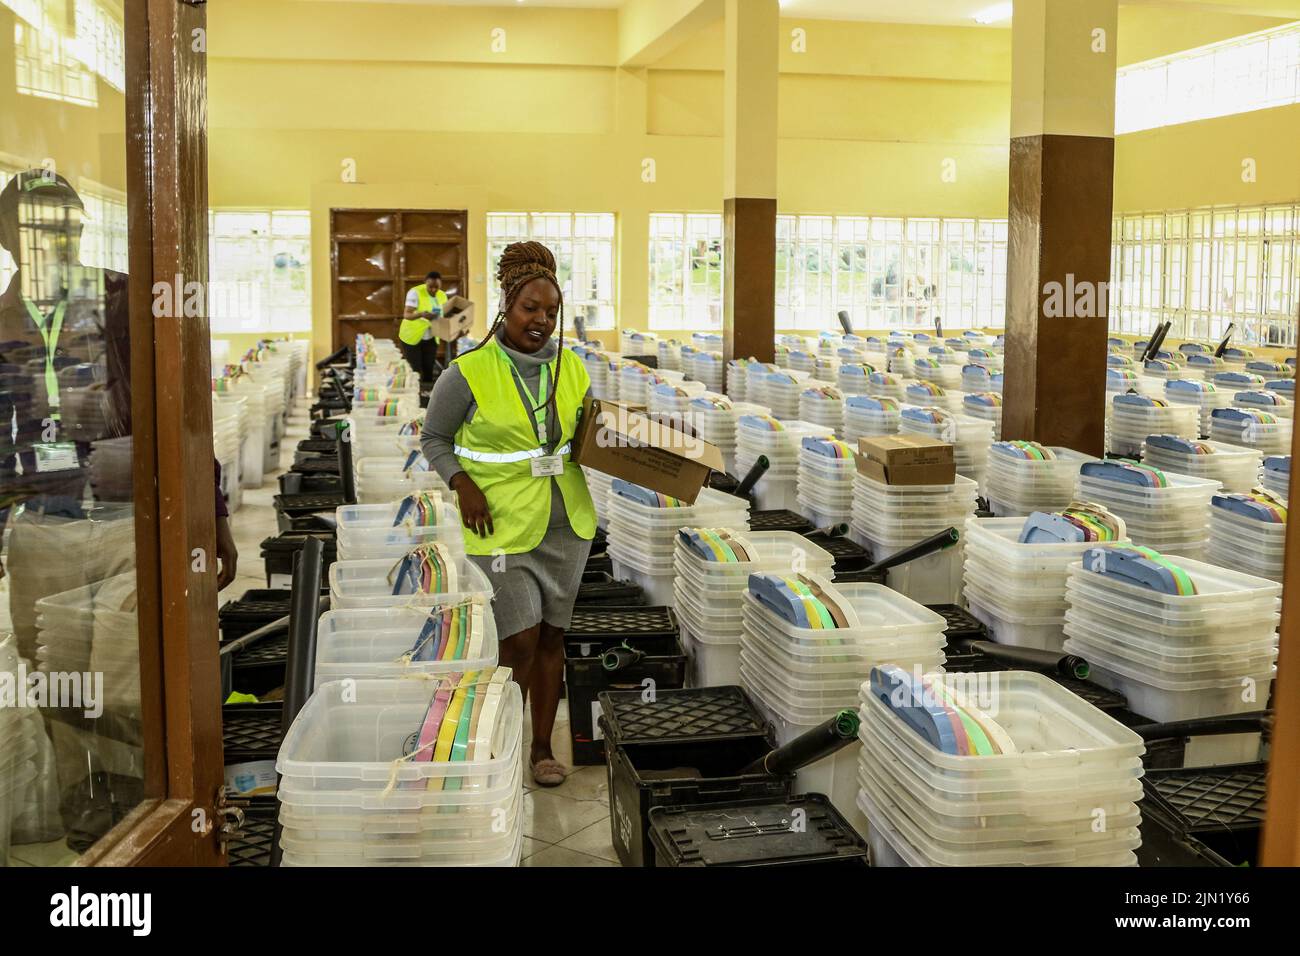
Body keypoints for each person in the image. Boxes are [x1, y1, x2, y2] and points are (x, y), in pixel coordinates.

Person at [421, 242, 594, 787]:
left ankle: (542, 747)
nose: (541, 321)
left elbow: (594, 436)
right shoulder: (468, 372)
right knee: (517, 639)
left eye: (550, 312)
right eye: (529, 309)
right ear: (506, 307)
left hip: (565, 520)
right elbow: (434, 438)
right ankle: (502, 741)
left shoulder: (573, 367)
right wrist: (461, 482)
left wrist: (659, 450)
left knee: (550, 637)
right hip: (497, 523)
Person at [400, 270, 449, 387]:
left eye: (436, 287)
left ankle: (426, 396)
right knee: (414, 370)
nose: (433, 290)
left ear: (440, 284)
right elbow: (407, 314)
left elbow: (445, 315)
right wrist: (421, 314)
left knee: (428, 368)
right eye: (430, 287)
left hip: (431, 337)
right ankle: (413, 397)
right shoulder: (415, 293)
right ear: (425, 283)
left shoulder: (442, 295)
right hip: (412, 336)